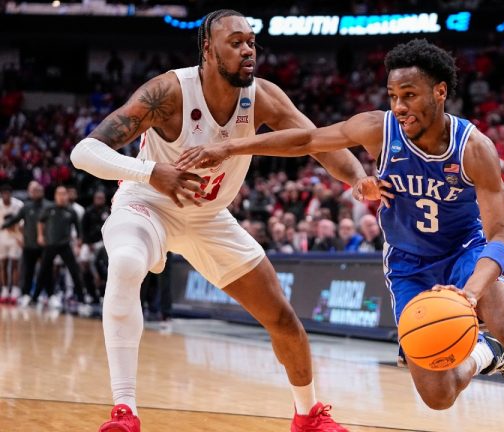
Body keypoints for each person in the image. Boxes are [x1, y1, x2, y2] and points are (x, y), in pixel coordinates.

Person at [178, 38, 504, 432]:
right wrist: (231, 146)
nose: (399, 105)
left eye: (409, 95)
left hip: (467, 251)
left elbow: (501, 233)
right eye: (393, 95)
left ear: (439, 92)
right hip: (408, 264)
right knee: (438, 395)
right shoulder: (378, 128)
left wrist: (470, 292)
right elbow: (308, 139)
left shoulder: (473, 147)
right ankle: (485, 353)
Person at [69, 9, 363, 432]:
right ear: (208, 49)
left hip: (208, 217)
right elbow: (85, 152)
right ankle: (125, 411)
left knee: (281, 318)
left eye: (251, 42)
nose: (248, 51)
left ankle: (308, 414)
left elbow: (314, 141)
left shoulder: (261, 96)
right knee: (128, 263)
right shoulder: (168, 92)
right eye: (236, 42)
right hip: (148, 202)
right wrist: (152, 172)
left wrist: (357, 178)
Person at [35, 185, 87, 309]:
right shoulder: (49, 208)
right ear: (55, 196)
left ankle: (82, 298)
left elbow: (79, 230)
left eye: (64, 194)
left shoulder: (71, 211)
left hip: (65, 245)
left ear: (67, 196)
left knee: (75, 271)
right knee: (43, 271)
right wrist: (40, 236)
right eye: (59, 194)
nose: (62, 196)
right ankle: (34, 296)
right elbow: (40, 222)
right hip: (50, 245)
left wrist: (79, 244)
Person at [1, 181, 50, 307]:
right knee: (24, 270)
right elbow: (15, 219)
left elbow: (21, 224)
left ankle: (46, 294)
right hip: (24, 243)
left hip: (40, 243)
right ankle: (19, 293)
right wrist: (4, 226)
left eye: (37, 190)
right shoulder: (26, 207)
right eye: (33, 190)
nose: (35, 192)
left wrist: (19, 236)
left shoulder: (48, 206)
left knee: (44, 270)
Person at [0, 184, 23, 304]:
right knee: (3, 264)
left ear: (11, 194)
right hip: (2, 237)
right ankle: (4, 290)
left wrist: (20, 236)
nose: (5, 196)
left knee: (15, 263)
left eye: (7, 193)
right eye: (3, 193)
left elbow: (23, 222)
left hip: (15, 237)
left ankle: (14, 290)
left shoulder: (18, 205)